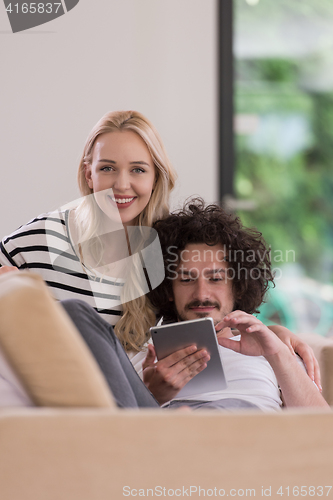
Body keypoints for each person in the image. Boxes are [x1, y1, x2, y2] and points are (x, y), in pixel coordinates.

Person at [0, 110, 176, 352]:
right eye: (107, 169)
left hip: (137, 389)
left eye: (138, 170)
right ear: (88, 174)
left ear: (155, 178)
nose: (122, 185)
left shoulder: (171, 253)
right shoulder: (37, 242)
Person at [136, 198, 329, 410]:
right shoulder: (145, 361)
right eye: (186, 279)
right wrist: (151, 395)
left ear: (237, 286)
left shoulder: (276, 350)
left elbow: (322, 433)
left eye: (216, 279)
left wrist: (276, 353)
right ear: (169, 289)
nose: (201, 294)